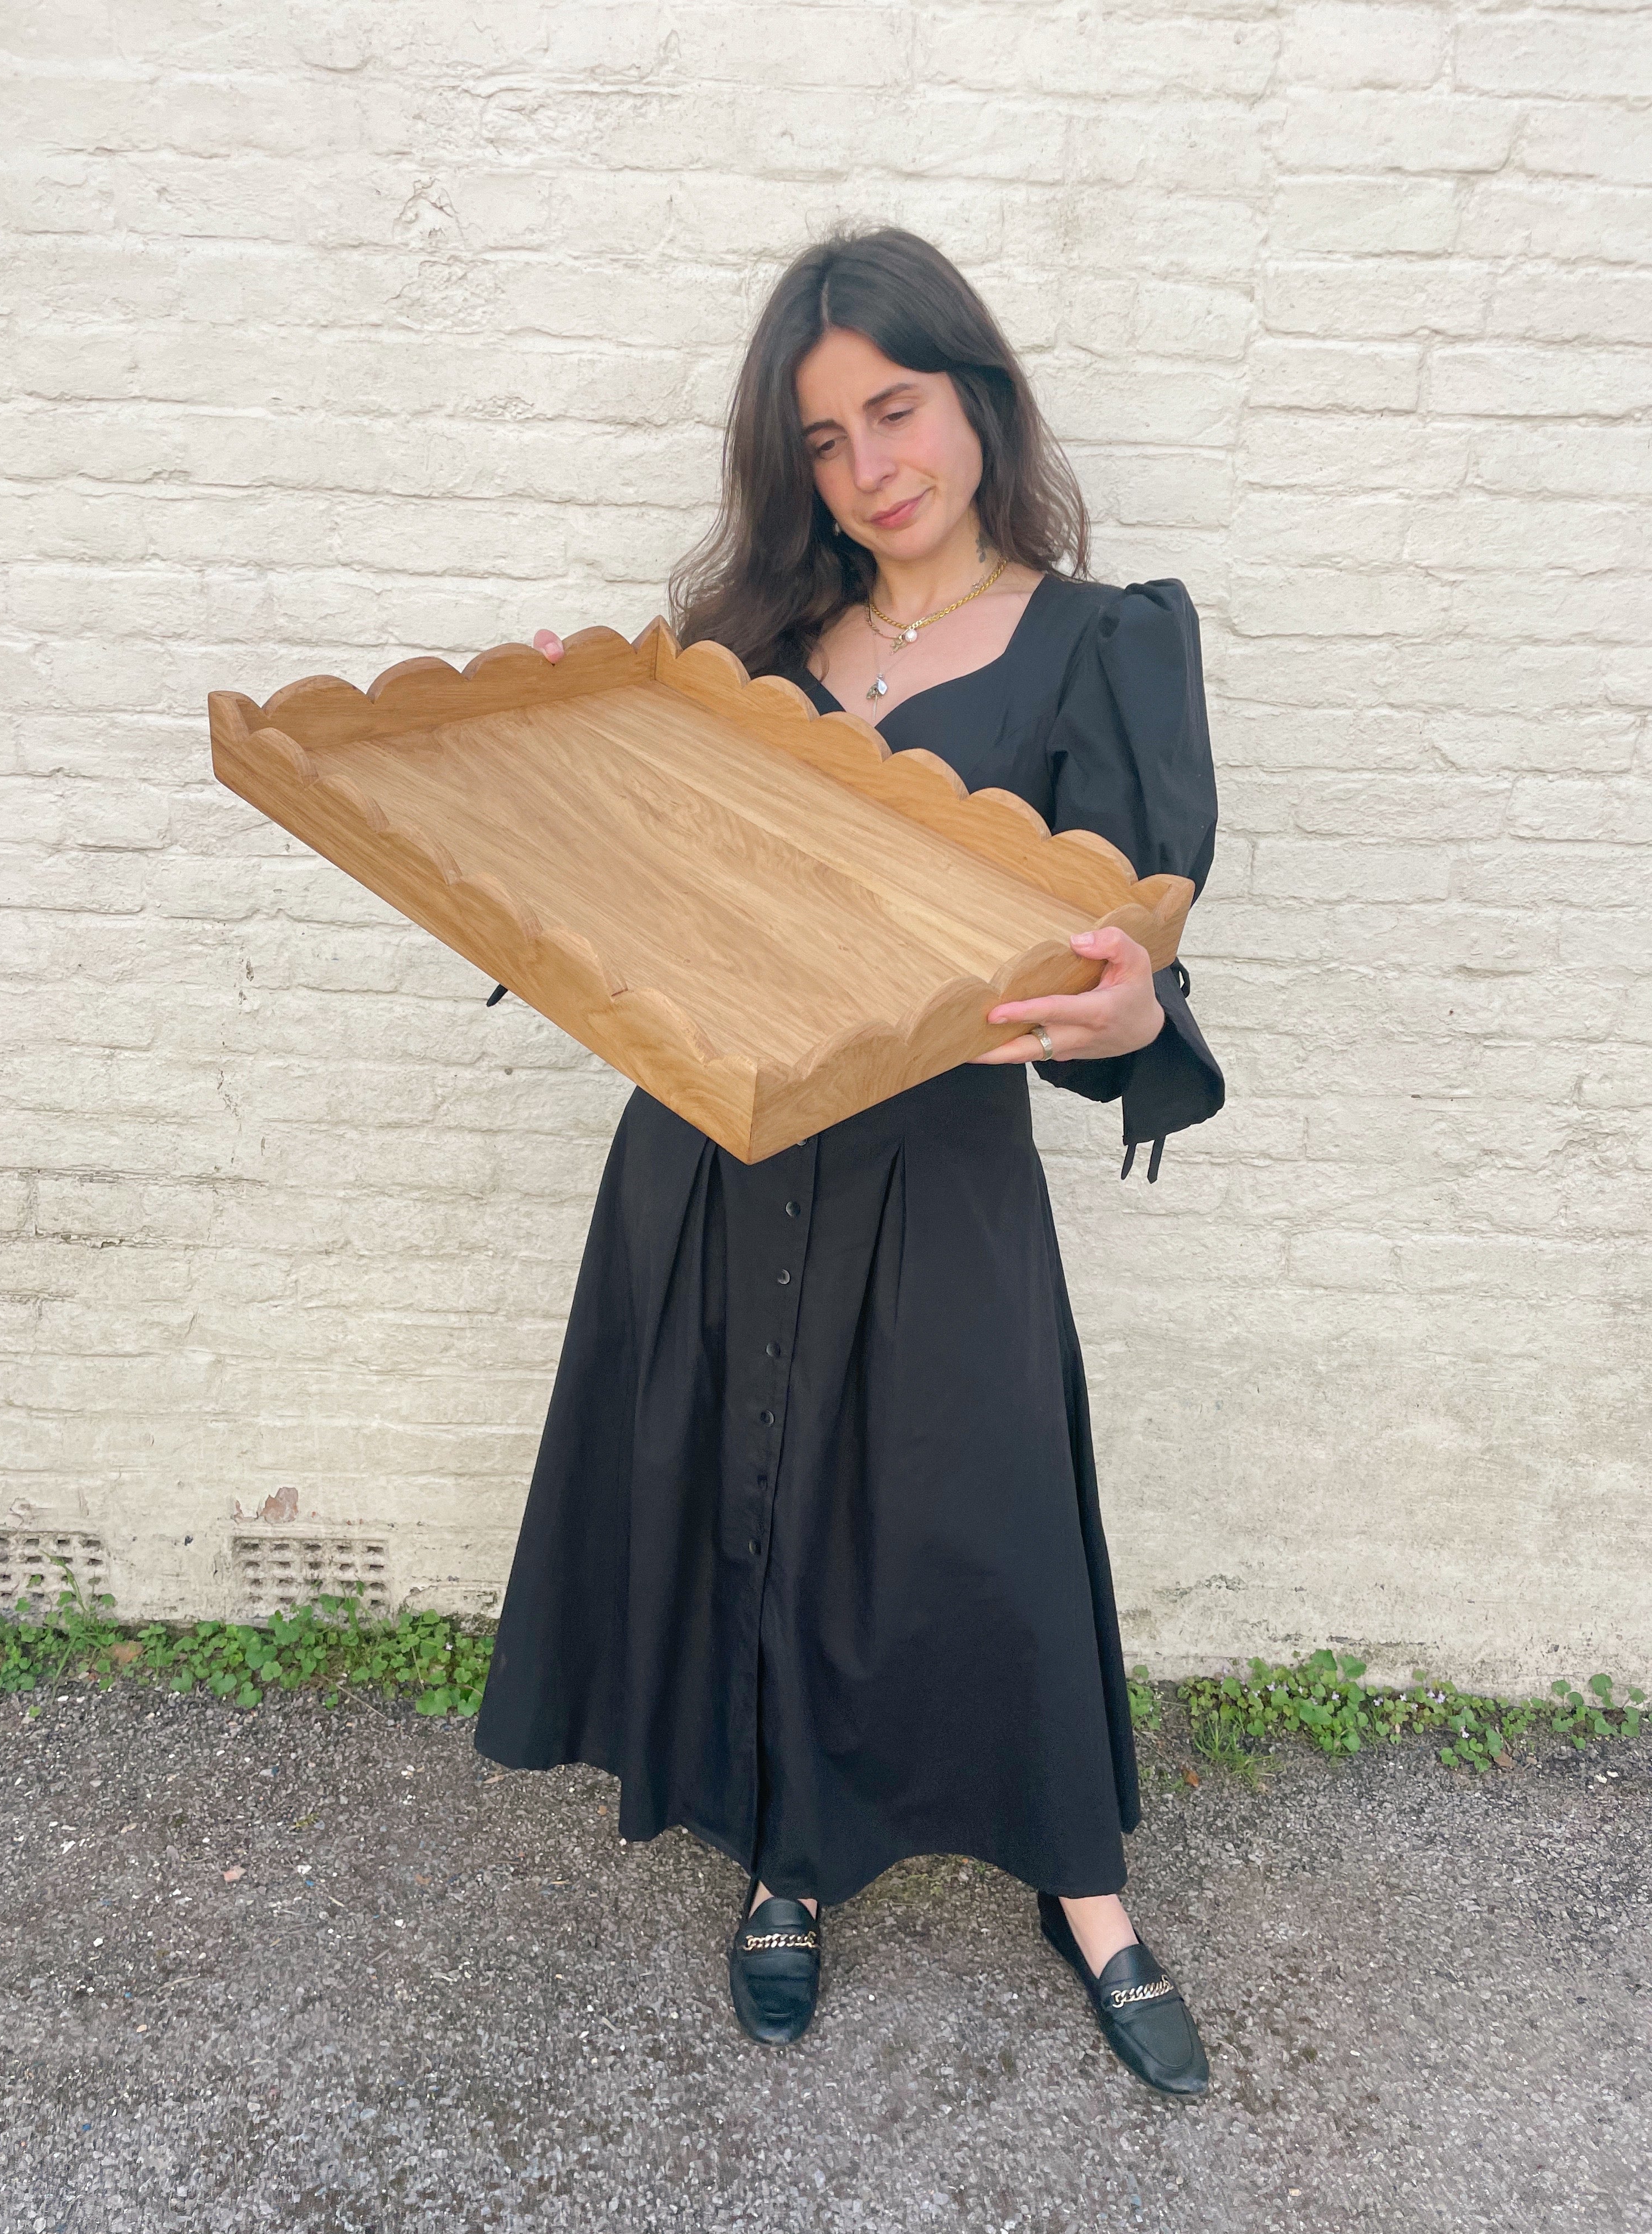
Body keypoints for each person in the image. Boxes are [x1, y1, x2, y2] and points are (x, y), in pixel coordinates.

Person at [475, 228, 1224, 2096]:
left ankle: (1088, 1887)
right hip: (712, 1167)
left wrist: (1131, 1024)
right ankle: (784, 1862)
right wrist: (558, 766)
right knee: (749, 1498)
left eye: (896, 408)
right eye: (822, 439)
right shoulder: (739, 662)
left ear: (974, 396)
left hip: (941, 1178)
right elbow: (622, 911)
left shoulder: (1105, 645)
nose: (870, 464)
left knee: (990, 1529)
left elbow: (1128, 955)